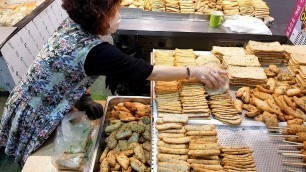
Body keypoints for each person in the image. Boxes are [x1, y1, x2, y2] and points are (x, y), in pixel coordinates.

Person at [0, 0, 228, 165]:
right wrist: (193, 71)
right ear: (99, 15)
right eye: (115, 10)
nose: (119, 14)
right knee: (38, 161)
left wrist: (84, 99)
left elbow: (68, 73)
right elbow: (149, 72)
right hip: (36, 111)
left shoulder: (71, 25)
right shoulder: (98, 51)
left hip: (29, 97)